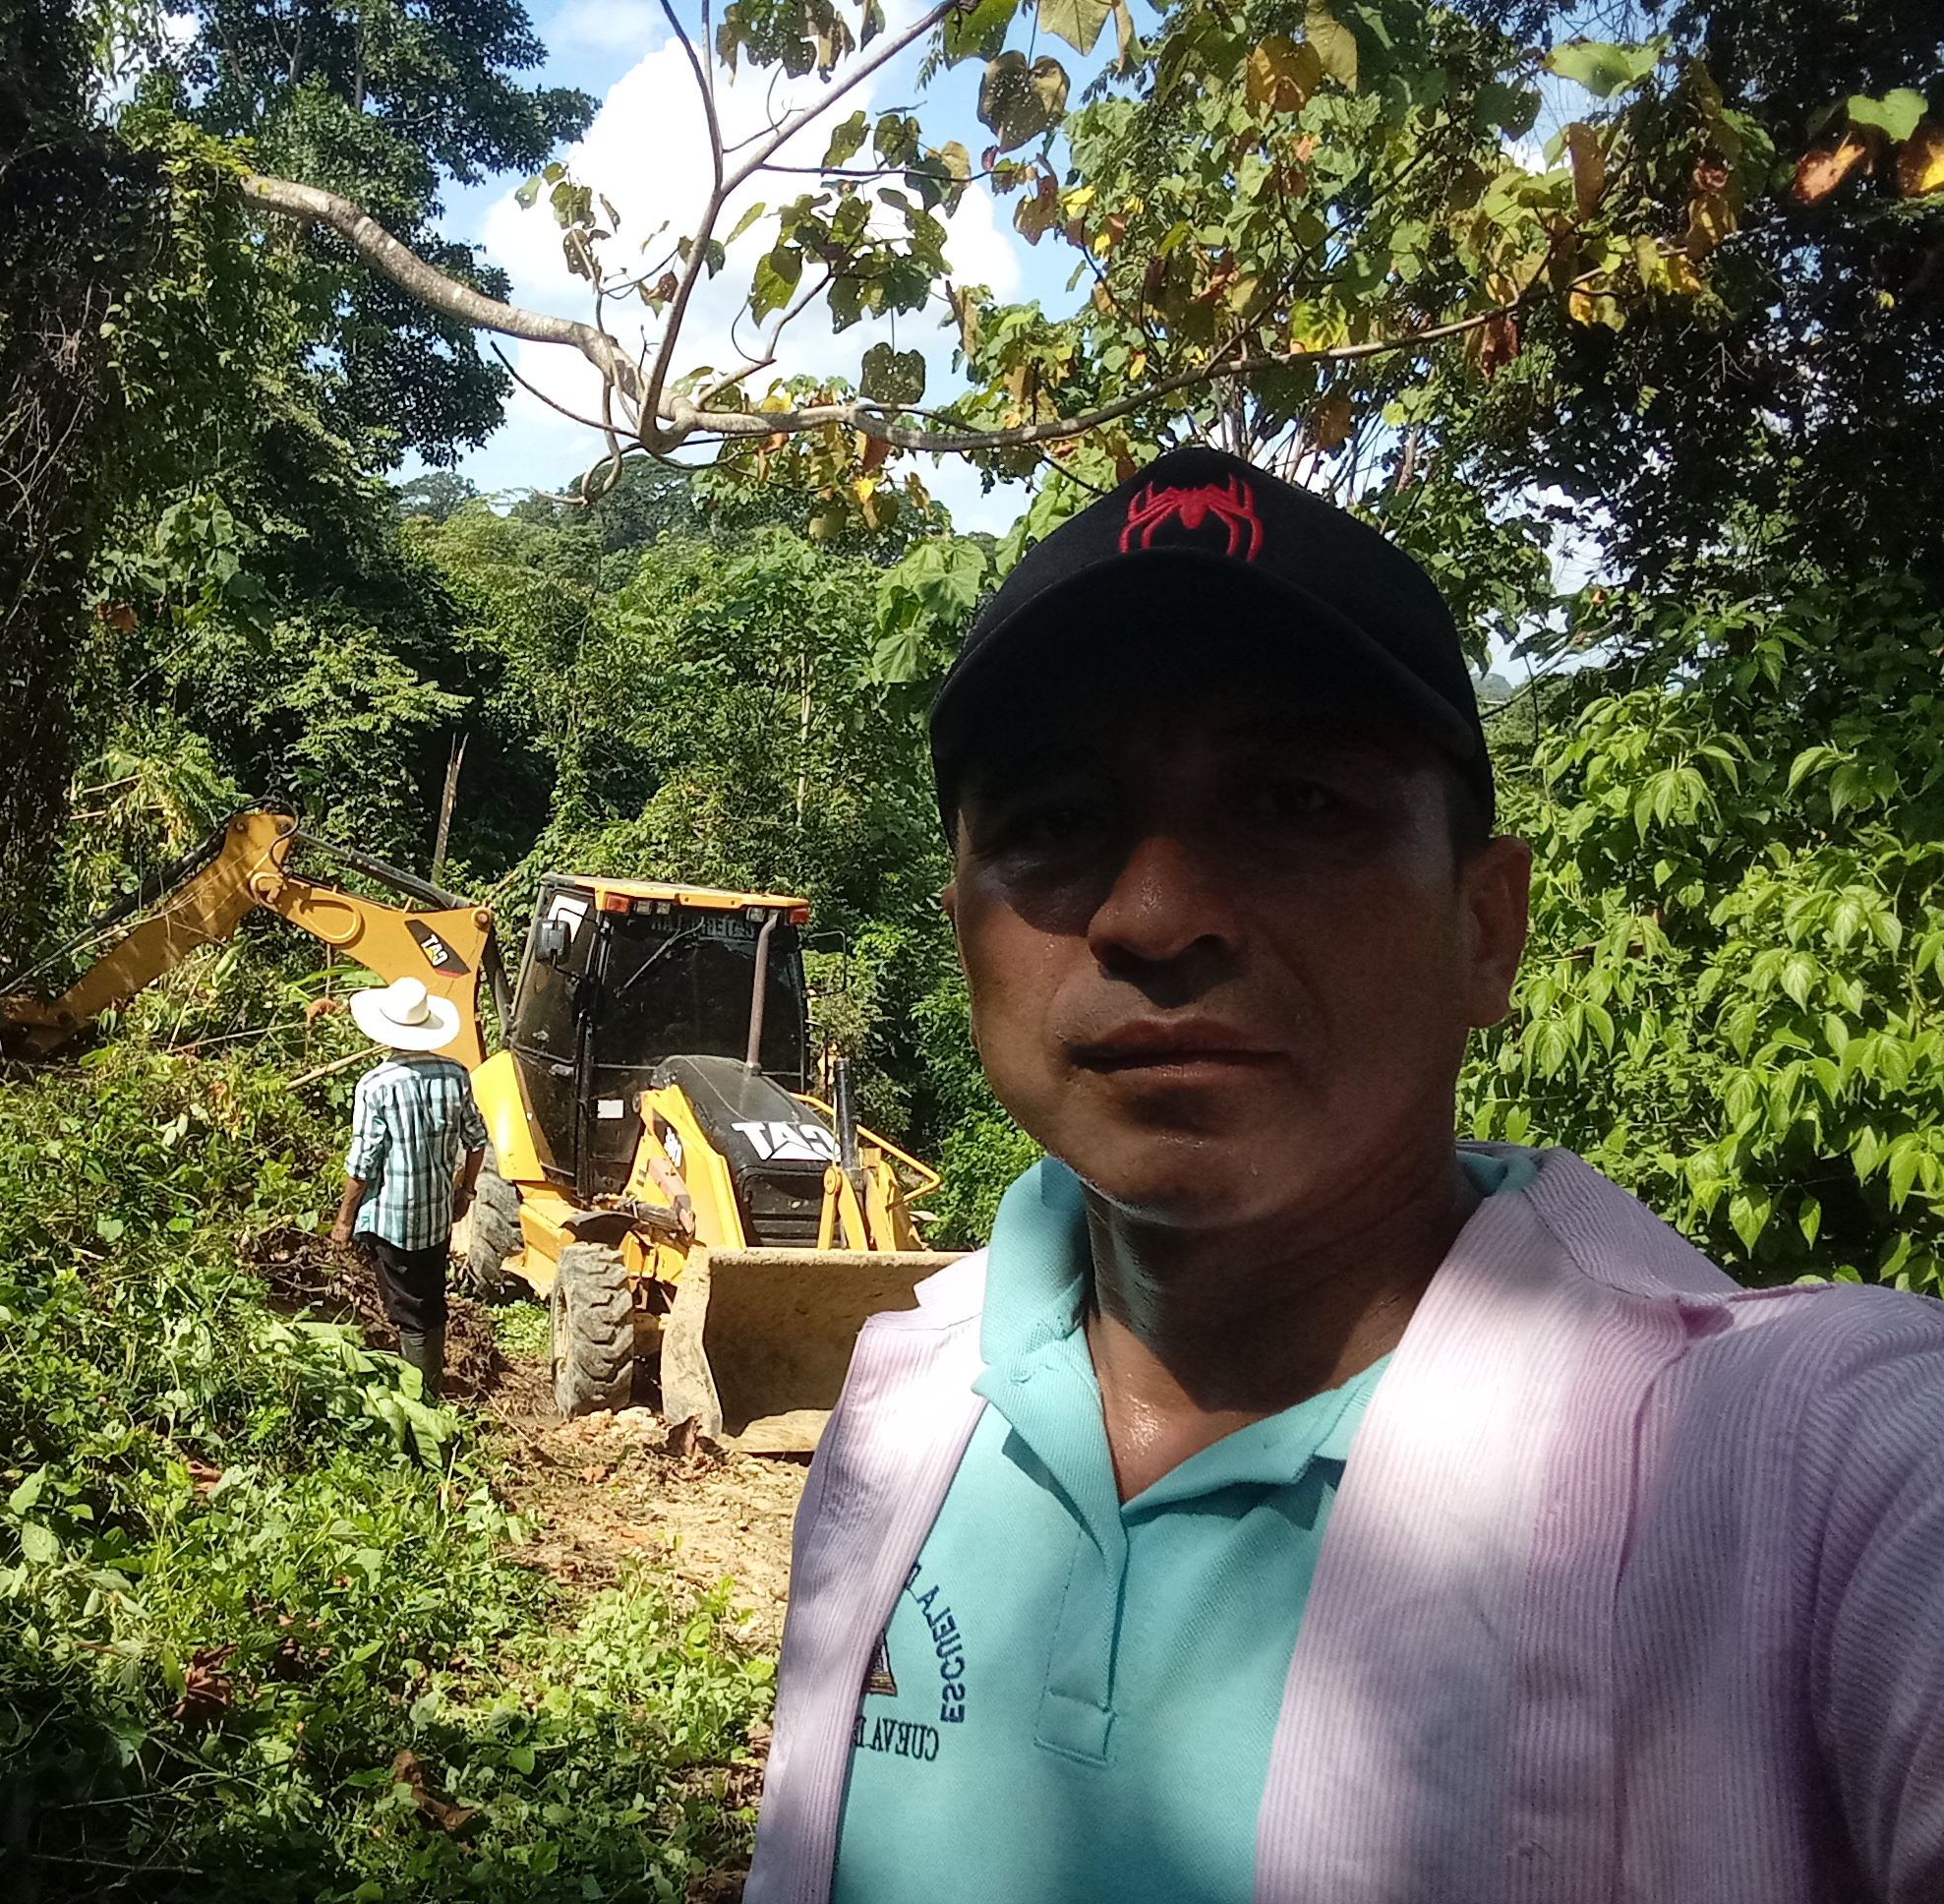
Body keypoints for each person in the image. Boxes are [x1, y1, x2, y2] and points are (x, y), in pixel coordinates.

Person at [745, 446, 1944, 1904]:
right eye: (1054, 822)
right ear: (965, 937)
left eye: (1294, 801)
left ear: (1486, 929)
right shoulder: (902, 1405)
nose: (1155, 914)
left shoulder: (1818, 1470)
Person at [330, 975, 488, 1399]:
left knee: (409, 1312)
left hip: (394, 1222)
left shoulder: (376, 1085)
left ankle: (420, 1398)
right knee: (430, 1301)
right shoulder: (455, 1074)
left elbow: (363, 1164)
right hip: (437, 1216)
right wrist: (465, 1191)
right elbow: (477, 1140)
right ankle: (426, 1386)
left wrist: (344, 1221)